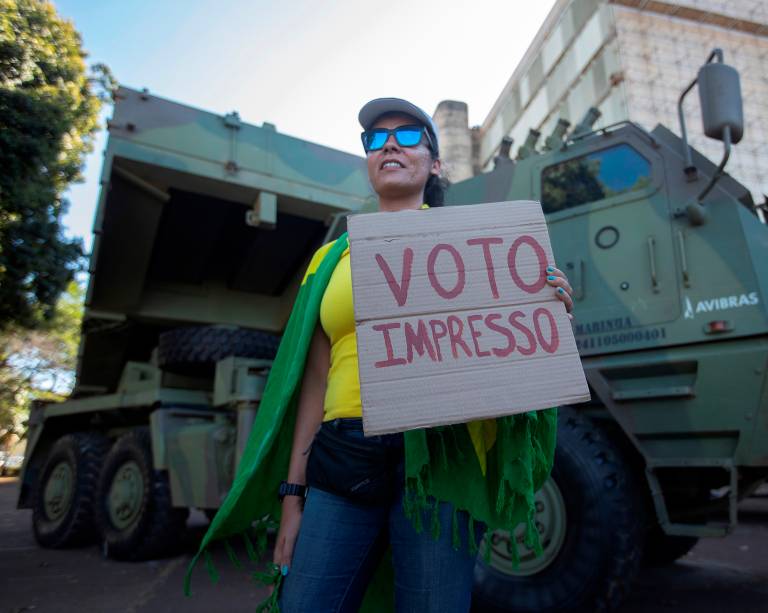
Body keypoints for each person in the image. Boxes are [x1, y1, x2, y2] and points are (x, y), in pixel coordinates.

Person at [185, 98, 574, 613]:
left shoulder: (482, 246)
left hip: (442, 461)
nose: (389, 143)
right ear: (370, 162)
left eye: (409, 135)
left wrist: (544, 311)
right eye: (375, 139)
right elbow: (315, 380)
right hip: (345, 458)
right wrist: (292, 496)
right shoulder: (330, 259)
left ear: (435, 164)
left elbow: (509, 355)